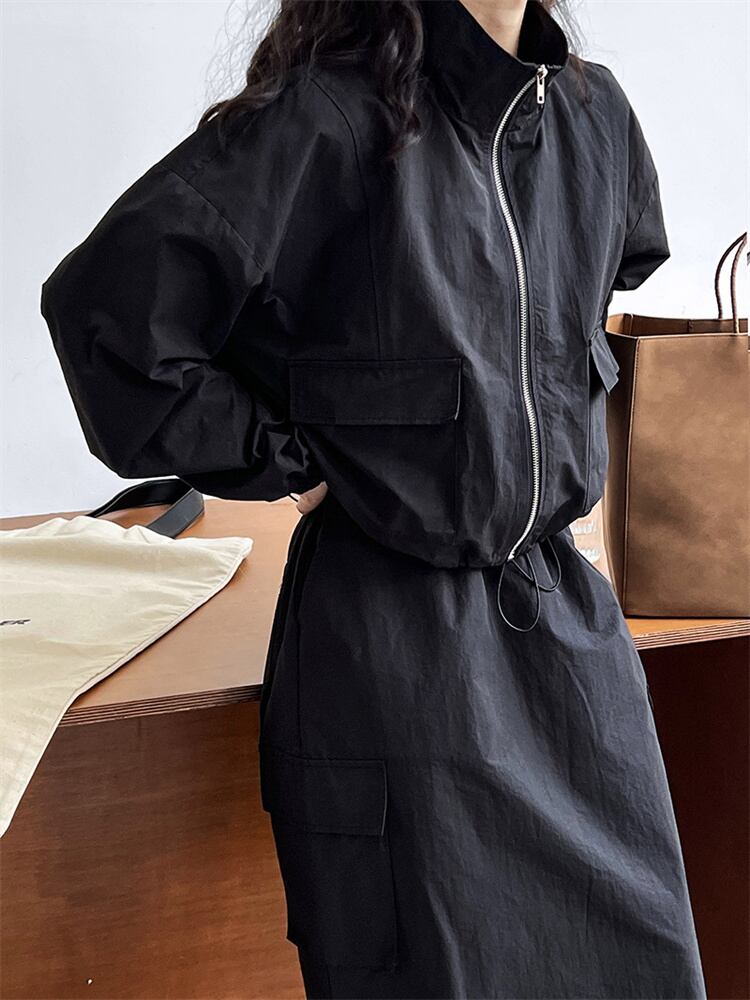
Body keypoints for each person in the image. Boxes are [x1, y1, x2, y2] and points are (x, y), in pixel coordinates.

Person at [40, 1, 708, 996]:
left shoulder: (592, 114)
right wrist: (296, 459)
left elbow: (599, 276)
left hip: (570, 643)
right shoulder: (332, 115)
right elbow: (112, 315)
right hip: (395, 657)